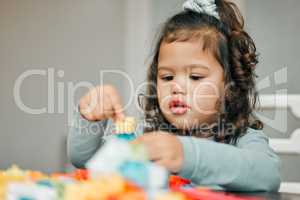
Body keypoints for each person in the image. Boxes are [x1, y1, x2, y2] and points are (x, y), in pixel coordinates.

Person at [68, 0, 281, 192]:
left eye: (195, 77)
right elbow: (88, 160)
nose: (176, 87)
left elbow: (267, 174)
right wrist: (90, 120)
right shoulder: (147, 135)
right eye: (167, 77)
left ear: (230, 87)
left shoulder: (242, 138)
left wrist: (185, 154)